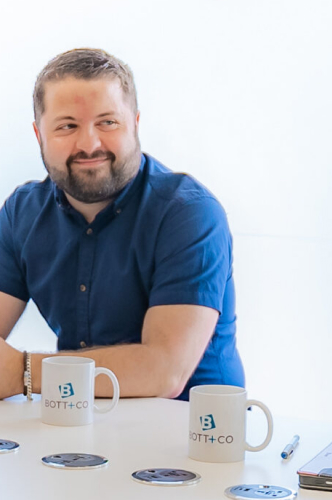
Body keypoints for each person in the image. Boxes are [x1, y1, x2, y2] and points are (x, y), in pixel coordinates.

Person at [0, 48, 243, 402]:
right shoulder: (21, 213)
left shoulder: (189, 213)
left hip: (191, 428)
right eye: (67, 126)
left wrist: (21, 371)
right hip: (79, 420)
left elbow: (163, 372)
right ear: (39, 135)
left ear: (135, 124)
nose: (89, 144)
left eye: (107, 122)